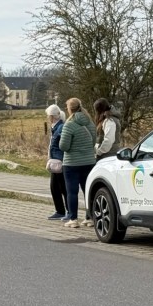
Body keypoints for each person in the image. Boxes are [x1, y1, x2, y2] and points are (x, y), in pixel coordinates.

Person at [58, 97, 96, 228]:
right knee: (88, 190)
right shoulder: (90, 123)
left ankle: (73, 219)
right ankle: (90, 218)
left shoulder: (69, 124)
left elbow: (64, 146)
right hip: (89, 161)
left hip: (72, 163)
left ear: (70, 109)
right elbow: (93, 142)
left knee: (72, 191)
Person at [45, 104, 67, 220]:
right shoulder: (55, 127)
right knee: (56, 187)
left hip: (59, 161)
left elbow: (63, 144)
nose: (48, 118)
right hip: (55, 161)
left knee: (61, 187)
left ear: (52, 116)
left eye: (48, 116)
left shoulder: (60, 127)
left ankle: (65, 211)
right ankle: (62, 211)